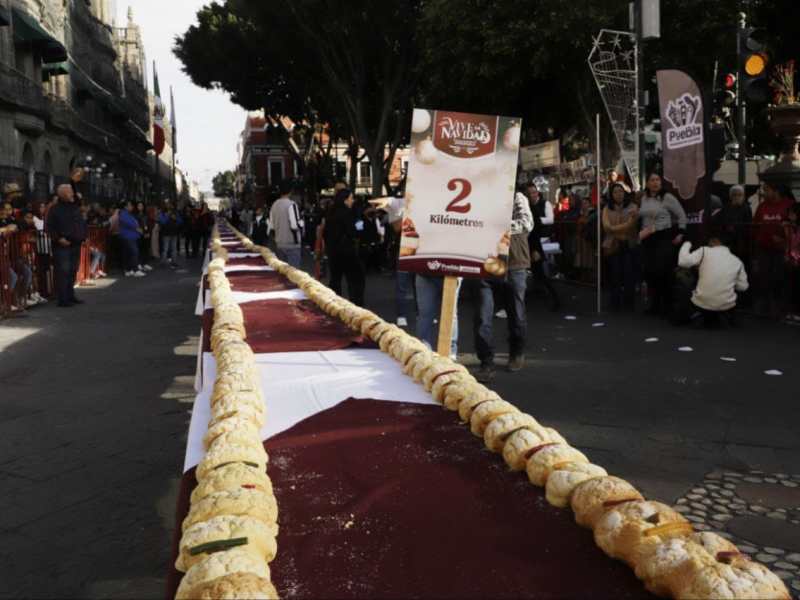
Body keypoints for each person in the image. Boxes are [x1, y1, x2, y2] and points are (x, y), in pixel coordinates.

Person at [473, 185, 534, 382]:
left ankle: (517, 353)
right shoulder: (478, 196)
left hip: (514, 262)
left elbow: (526, 223)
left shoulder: (517, 197)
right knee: (483, 315)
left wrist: (494, 225)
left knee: (516, 312)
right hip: (486, 261)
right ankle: (486, 362)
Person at [678, 222, 749, 328]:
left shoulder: (704, 250)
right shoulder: (737, 261)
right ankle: (726, 317)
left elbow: (682, 262)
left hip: (701, 303)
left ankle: (688, 317)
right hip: (726, 305)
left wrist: (686, 243)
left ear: (714, 241)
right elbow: (743, 287)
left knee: (683, 281)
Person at [638, 172, 687, 316]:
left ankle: (667, 307)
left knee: (663, 273)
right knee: (650, 274)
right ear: (647, 183)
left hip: (663, 238)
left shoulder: (667, 197)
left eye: (657, 180)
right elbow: (642, 217)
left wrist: (680, 233)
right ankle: (654, 305)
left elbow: (681, 215)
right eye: (652, 180)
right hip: (648, 239)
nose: (655, 183)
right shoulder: (644, 198)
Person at [752, 182, 794, 317]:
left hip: (782, 250)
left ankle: (779, 308)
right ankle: (764, 306)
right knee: (763, 277)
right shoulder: (762, 206)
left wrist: (785, 240)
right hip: (763, 248)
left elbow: (795, 226)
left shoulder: (789, 205)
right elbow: (755, 226)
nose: (763, 193)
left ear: (776, 191)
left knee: (779, 278)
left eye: (766, 190)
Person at [46, 184, 87, 307]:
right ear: (63, 195)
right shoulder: (54, 209)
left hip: (75, 243)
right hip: (62, 245)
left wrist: (83, 235)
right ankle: (63, 299)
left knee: (73, 270)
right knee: (63, 271)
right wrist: (59, 239)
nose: (72, 194)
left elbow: (80, 218)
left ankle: (70, 295)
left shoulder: (74, 206)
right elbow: (49, 227)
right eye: (69, 192)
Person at [324, 188, 365, 305]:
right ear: (345, 200)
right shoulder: (348, 213)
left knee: (335, 280)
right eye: (351, 198)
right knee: (355, 280)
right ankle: (356, 306)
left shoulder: (330, 213)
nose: (353, 201)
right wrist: (359, 224)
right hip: (347, 251)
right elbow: (355, 232)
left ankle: (334, 305)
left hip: (333, 251)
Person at [602, 183, 639, 309]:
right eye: (616, 192)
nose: (619, 194)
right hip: (613, 244)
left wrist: (613, 228)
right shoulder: (607, 208)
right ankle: (615, 301)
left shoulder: (633, 207)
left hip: (628, 243)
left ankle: (629, 302)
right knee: (615, 274)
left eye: (621, 191)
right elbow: (606, 227)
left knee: (629, 274)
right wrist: (613, 229)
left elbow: (631, 225)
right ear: (611, 195)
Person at [527, 182, 560, 310]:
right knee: (538, 271)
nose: (532, 196)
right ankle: (542, 291)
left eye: (534, 193)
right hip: (533, 242)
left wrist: (537, 220)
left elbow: (549, 220)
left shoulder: (543, 204)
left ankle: (555, 298)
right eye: (530, 194)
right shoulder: (529, 207)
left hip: (542, 240)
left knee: (543, 271)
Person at [269, 180, 303, 267]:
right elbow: (294, 225)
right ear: (291, 191)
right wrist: (302, 223)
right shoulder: (292, 205)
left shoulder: (274, 205)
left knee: (283, 274)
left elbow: (271, 226)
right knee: (294, 274)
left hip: (279, 243)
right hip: (292, 243)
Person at [119, 201, 145, 278]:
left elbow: (134, 222)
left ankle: (129, 269)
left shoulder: (128, 214)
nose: (132, 207)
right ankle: (135, 270)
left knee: (129, 253)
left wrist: (136, 226)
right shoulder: (123, 214)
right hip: (128, 236)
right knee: (134, 252)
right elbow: (131, 223)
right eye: (130, 206)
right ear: (126, 207)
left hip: (131, 236)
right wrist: (136, 227)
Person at [785, 203, 800, 322]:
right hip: (790, 260)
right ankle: (791, 311)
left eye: (792, 213)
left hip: (796, 260)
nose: (790, 216)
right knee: (790, 287)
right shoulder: (789, 227)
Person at [134, 201, 153, 272]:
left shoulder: (146, 214)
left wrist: (148, 232)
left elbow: (149, 223)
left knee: (146, 249)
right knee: (139, 249)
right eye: (139, 206)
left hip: (146, 233)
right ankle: (139, 264)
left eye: (141, 206)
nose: (140, 207)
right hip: (139, 235)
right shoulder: (135, 215)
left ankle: (145, 263)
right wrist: (142, 233)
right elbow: (136, 226)